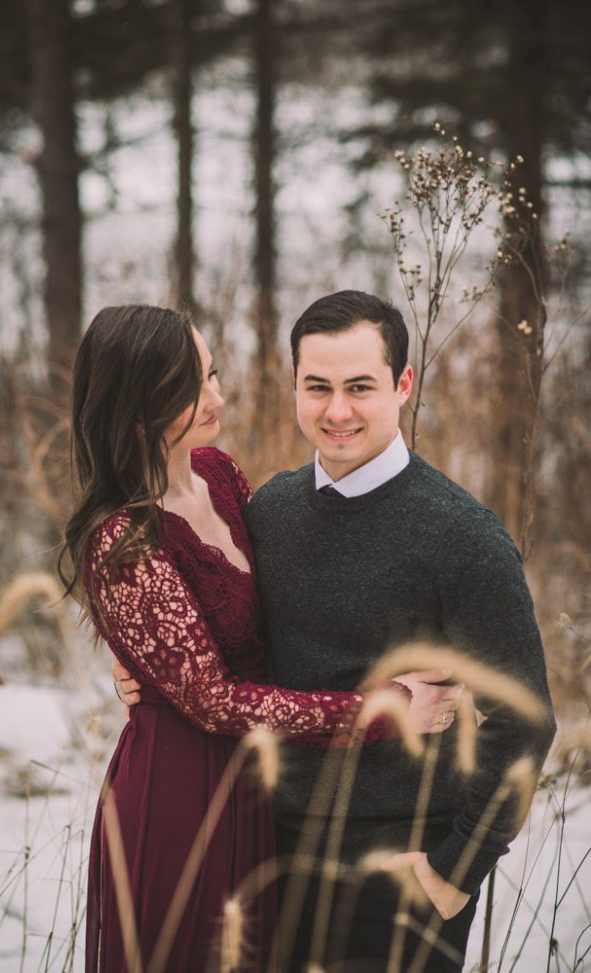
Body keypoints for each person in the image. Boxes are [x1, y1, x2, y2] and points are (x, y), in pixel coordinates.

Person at [117, 291, 556, 973]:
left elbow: (524, 719)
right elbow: (217, 633)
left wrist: (456, 869)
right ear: (293, 384)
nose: (337, 410)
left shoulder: (461, 536)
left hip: (401, 864)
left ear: (403, 384)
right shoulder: (272, 511)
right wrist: (139, 669)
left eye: (360, 387)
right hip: (266, 853)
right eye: (317, 386)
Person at [59, 303, 461, 973]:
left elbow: (256, 608)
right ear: (136, 409)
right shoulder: (121, 541)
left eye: (212, 372)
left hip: (260, 780)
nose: (217, 394)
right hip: (182, 792)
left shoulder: (219, 473)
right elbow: (213, 700)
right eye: (192, 387)